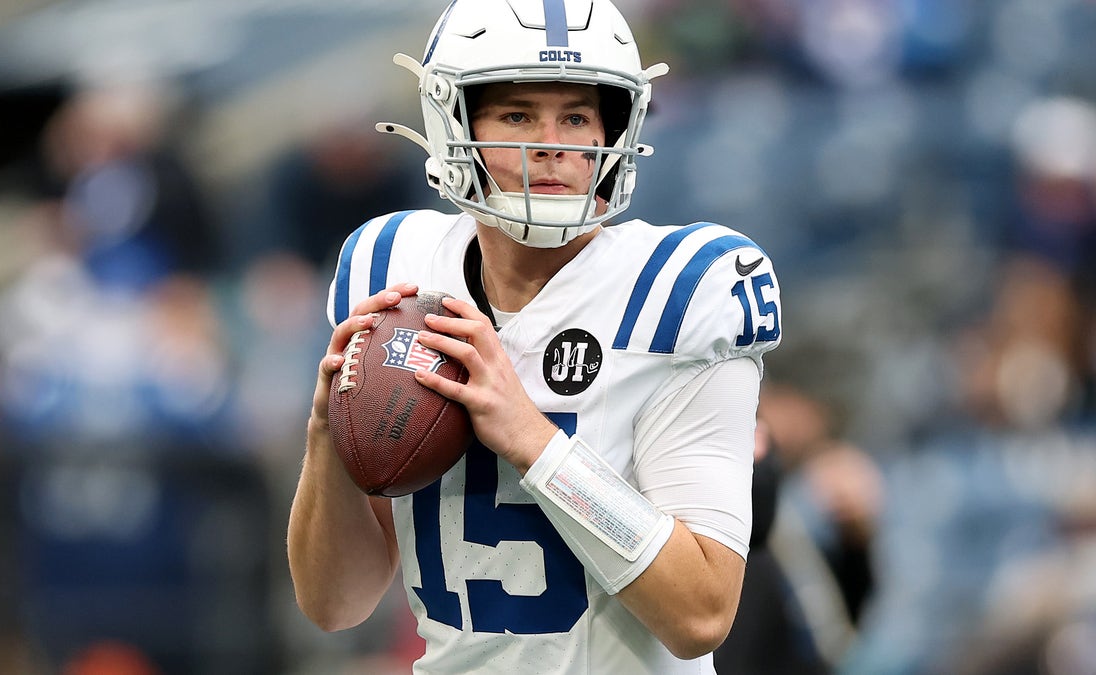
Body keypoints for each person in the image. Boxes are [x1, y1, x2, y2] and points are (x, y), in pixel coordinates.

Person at [287, 1, 782, 672]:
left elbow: (701, 613)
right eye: (518, 114)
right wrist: (328, 432)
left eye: (576, 116)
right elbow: (333, 603)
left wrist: (533, 439)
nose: (551, 142)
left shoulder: (681, 291)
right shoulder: (392, 268)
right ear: (452, 118)